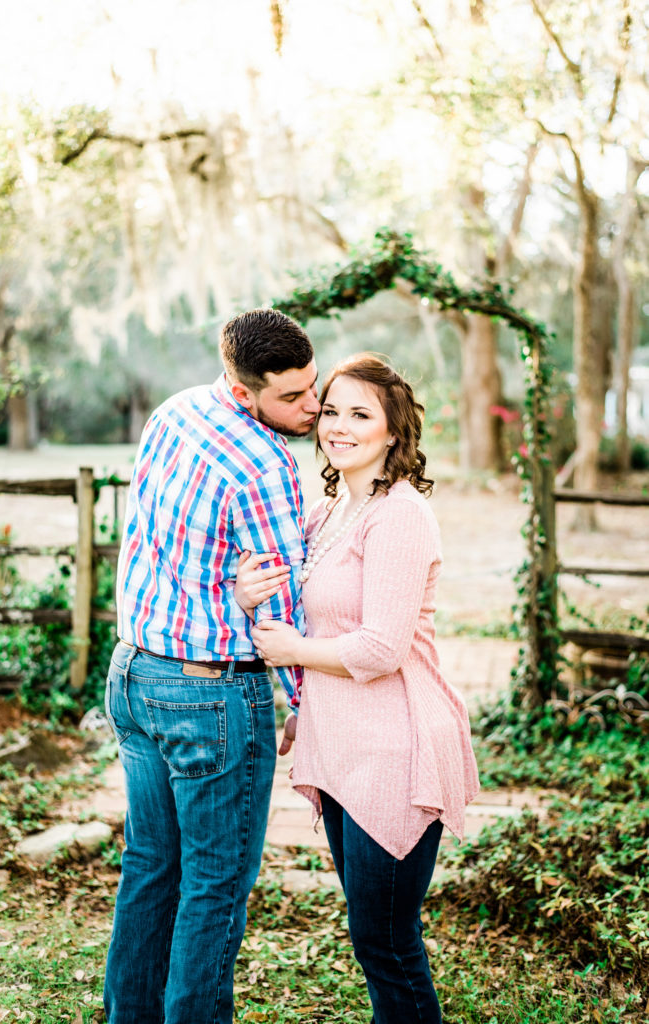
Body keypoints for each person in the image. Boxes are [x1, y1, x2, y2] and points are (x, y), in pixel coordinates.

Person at [236, 354, 480, 1024]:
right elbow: (313, 608)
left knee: (387, 942)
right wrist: (252, 597)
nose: (338, 426)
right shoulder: (329, 511)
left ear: (393, 431)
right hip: (346, 748)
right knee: (373, 936)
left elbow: (381, 648)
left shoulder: (398, 516)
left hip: (397, 751)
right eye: (333, 410)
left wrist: (293, 651)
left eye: (360, 414)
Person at [103, 308, 320, 1024]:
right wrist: (303, 703)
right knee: (215, 884)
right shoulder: (265, 465)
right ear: (241, 383)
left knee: (150, 867)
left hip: (134, 674)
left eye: (311, 387)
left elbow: (149, 538)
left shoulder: (175, 411)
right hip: (208, 694)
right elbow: (281, 602)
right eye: (290, 397)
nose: (310, 407)